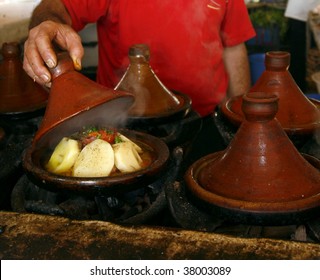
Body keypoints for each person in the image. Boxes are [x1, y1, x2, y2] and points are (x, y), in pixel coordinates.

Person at [23, 0, 255, 168]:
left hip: (203, 123)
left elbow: (233, 47)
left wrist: (244, 121)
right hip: (122, 129)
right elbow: (55, 7)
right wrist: (47, 24)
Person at [285, 0, 320, 92]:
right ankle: (300, 92)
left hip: (302, 14)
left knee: (299, 56)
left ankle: (300, 91)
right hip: (301, 16)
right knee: (299, 56)